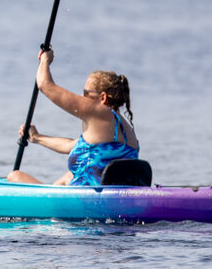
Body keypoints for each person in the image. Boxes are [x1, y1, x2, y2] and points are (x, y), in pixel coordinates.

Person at [7, 48, 139, 186]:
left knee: (14, 176)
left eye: (85, 93)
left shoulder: (100, 111)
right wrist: (37, 137)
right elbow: (70, 145)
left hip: (89, 200)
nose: (81, 98)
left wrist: (45, 59)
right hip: (116, 197)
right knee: (69, 175)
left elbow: (45, 85)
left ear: (103, 97)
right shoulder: (125, 129)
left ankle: (46, 202)